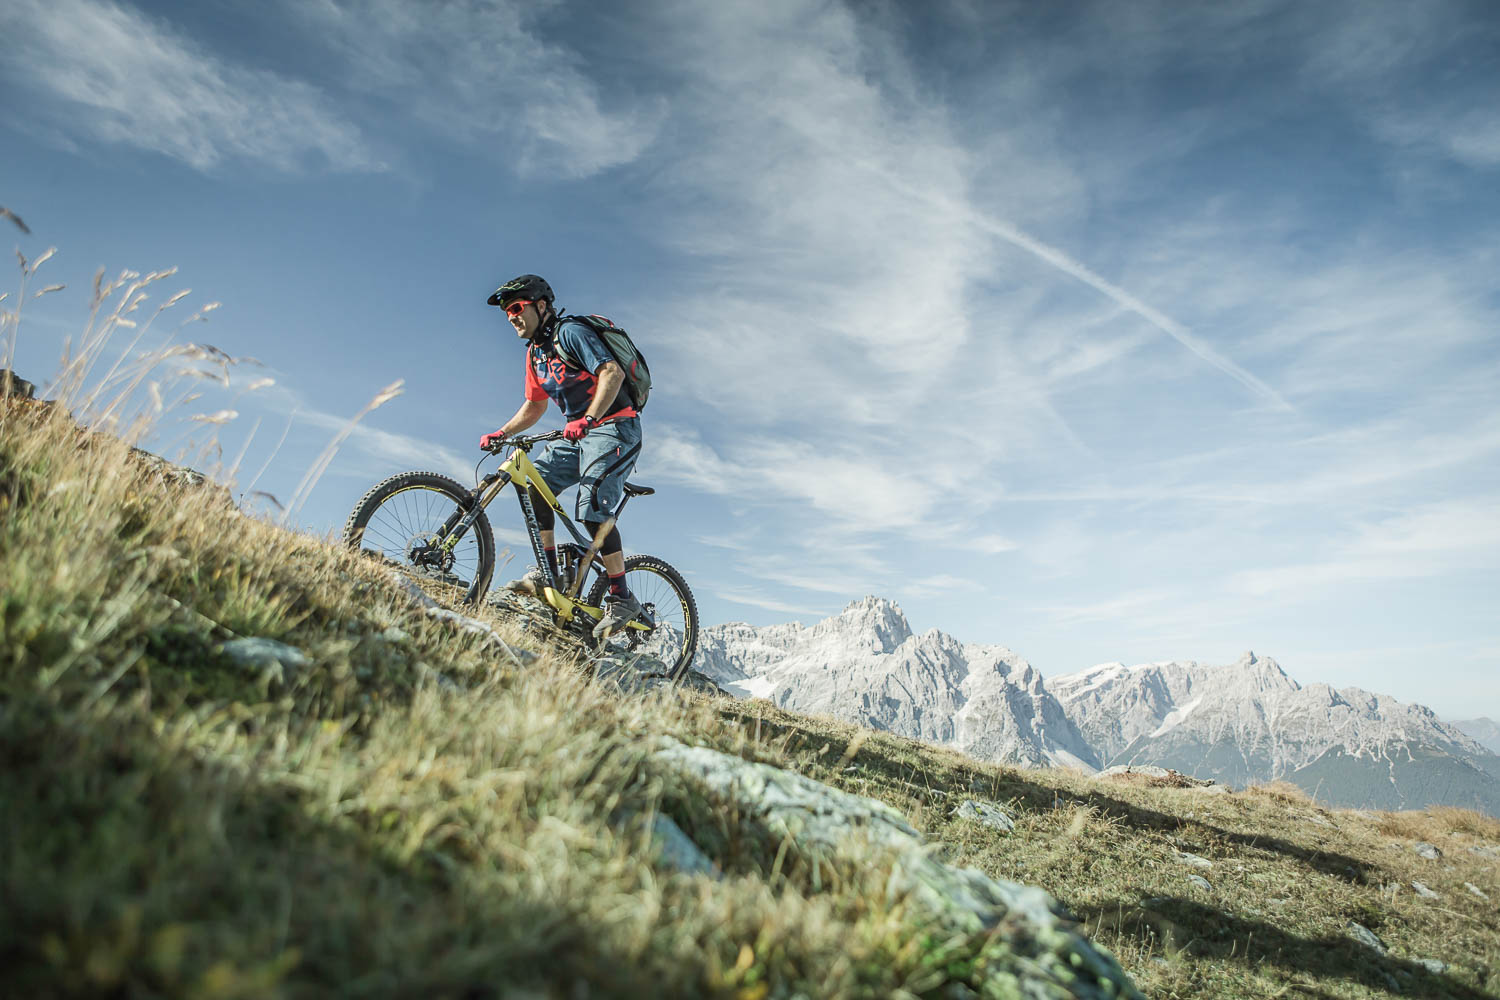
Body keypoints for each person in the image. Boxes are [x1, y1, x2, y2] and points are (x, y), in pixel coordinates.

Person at [479, 274, 643, 637]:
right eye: (507, 313)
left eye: (517, 308)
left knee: (591, 507)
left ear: (541, 305)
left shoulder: (569, 333)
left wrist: (589, 418)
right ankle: (549, 576)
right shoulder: (535, 354)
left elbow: (611, 373)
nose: (512, 317)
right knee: (535, 485)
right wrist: (501, 433)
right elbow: (534, 406)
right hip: (578, 433)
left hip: (615, 426)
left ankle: (622, 598)